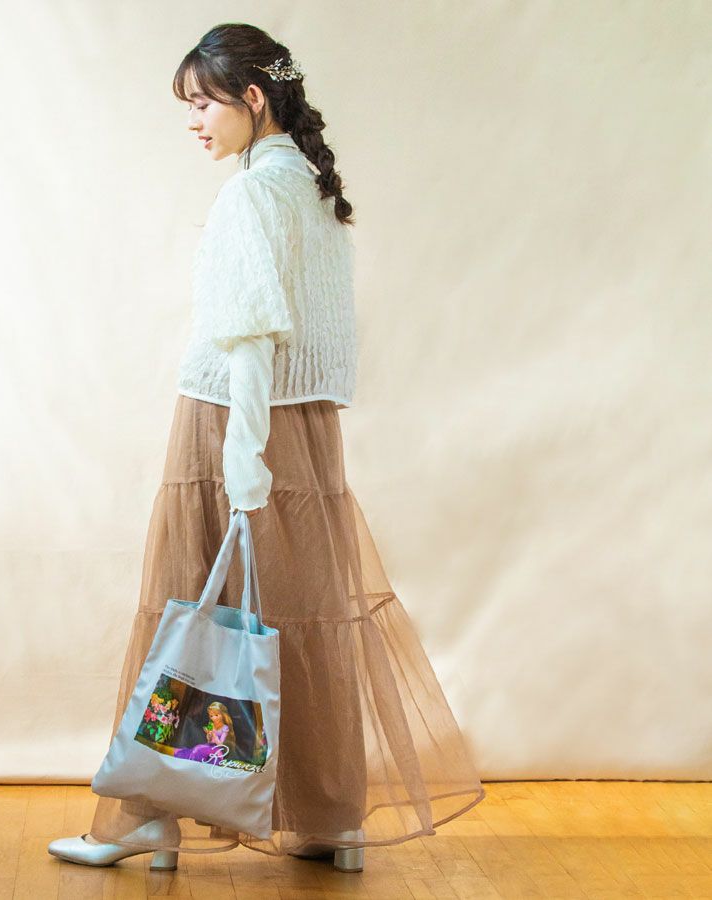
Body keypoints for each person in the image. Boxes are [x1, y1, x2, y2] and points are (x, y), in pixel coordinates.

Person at [48, 23, 485, 874]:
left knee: (192, 607)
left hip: (233, 419)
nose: (193, 122)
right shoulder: (314, 190)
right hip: (310, 428)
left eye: (204, 103)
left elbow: (249, 338)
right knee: (302, 614)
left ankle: (150, 817)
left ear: (254, 97)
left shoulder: (250, 195)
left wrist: (244, 458)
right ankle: (330, 819)